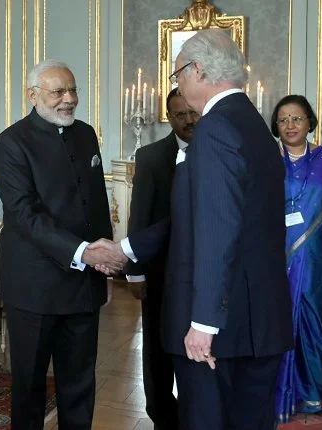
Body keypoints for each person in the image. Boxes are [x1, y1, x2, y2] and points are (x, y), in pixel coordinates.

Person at [91, 30, 294, 429]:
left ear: (197, 70)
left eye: (178, 75)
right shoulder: (254, 127)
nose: (178, 84)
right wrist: (128, 249)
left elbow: (218, 231)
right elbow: (207, 216)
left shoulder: (216, 129)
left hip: (222, 328)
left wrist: (203, 324)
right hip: (258, 321)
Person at [0, 59, 127, 429]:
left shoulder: (86, 135)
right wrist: (84, 253)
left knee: (80, 384)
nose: (69, 99)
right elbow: (24, 214)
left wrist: (105, 270)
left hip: (84, 284)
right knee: (30, 387)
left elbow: (97, 207)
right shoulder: (11, 142)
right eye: (58, 92)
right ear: (33, 95)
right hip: (33, 288)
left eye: (73, 90)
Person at [126, 88, 199, 430]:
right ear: (169, 118)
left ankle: (195, 412)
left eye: (192, 112)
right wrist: (135, 273)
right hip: (160, 272)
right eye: (180, 115)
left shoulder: (219, 151)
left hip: (205, 274)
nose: (189, 120)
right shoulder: (152, 156)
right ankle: (161, 416)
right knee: (156, 348)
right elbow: (139, 216)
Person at [270, 95, 322, 422]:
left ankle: (313, 395)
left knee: (315, 325)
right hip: (278, 263)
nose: (290, 125)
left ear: (310, 123)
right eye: (283, 120)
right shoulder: (268, 163)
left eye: (297, 119)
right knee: (280, 324)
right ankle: (281, 394)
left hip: (318, 265)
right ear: (276, 127)